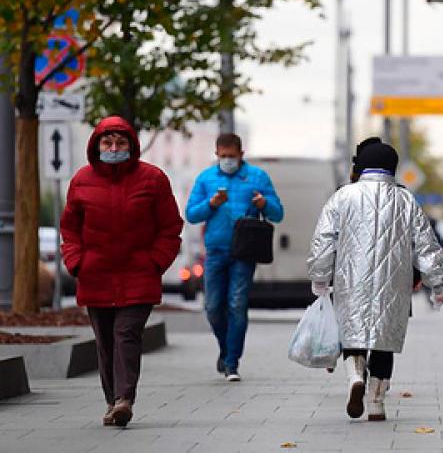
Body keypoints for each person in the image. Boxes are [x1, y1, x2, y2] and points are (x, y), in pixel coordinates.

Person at [308, 142, 443, 422]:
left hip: (351, 279)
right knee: (385, 339)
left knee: (352, 331)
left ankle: (355, 376)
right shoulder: (406, 200)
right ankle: (376, 402)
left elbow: (323, 241)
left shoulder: (342, 197)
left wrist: (320, 277)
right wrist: (439, 284)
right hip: (394, 282)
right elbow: (426, 246)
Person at [61, 116, 183, 427]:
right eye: (107, 142)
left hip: (138, 274)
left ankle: (124, 399)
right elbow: (70, 229)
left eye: (120, 143)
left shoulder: (153, 179)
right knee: (104, 341)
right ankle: (111, 400)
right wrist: (76, 261)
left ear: (131, 146)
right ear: (97, 146)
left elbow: (170, 227)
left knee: (126, 335)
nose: (114, 148)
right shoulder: (81, 181)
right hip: (96, 274)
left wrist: (155, 262)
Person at [185, 133, 283, 382]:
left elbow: (277, 213)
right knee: (212, 307)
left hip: (244, 251)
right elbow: (192, 214)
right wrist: (212, 203)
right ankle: (226, 348)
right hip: (215, 251)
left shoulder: (257, 177)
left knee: (237, 304)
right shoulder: (206, 178)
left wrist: (263, 204)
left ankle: (231, 363)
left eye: (232, 156)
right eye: (223, 156)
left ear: (241, 154)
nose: (227, 160)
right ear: (216, 154)